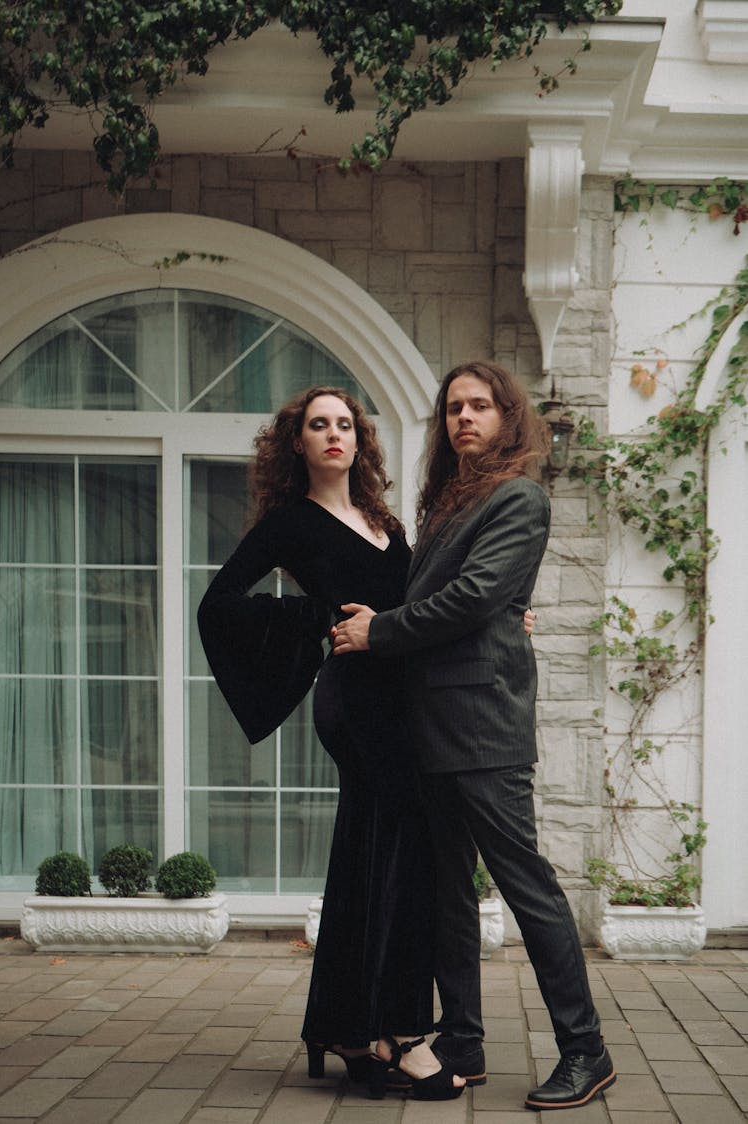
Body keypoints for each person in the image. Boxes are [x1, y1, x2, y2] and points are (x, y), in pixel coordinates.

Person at [333, 361, 616, 1112]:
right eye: (454, 407)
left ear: (506, 417)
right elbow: (463, 598)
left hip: (484, 726)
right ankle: (461, 1038)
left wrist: (381, 632)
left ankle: (586, 1050)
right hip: (432, 723)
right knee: (449, 894)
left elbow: (475, 596)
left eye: (480, 406)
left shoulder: (518, 498)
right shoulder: (450, 506)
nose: (464, 417)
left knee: (528, 888)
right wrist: (385, 613)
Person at [197, 386, 467, 1101]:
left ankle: (348, 1027)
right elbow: (218, 604)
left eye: (345, 424)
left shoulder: (383, 520)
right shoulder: (290, 523)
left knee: (375, 857)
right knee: (399, 857)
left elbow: (419, 607)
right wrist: (317, 617)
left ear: (360, 441)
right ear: (297, 443)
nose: (334, 434)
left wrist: (496, 622)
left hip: (402, 703)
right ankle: (401, 1035)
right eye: (318, 425)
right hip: (356, 705)